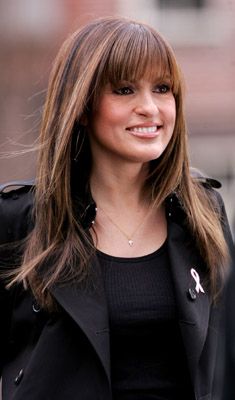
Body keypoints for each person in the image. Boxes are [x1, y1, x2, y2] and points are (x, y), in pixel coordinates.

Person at [0, 16, 233, 400]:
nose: (150, 107)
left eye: (162, 88)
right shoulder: (20, 220)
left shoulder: (204, 214)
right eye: (124, 90)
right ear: (82, 106)